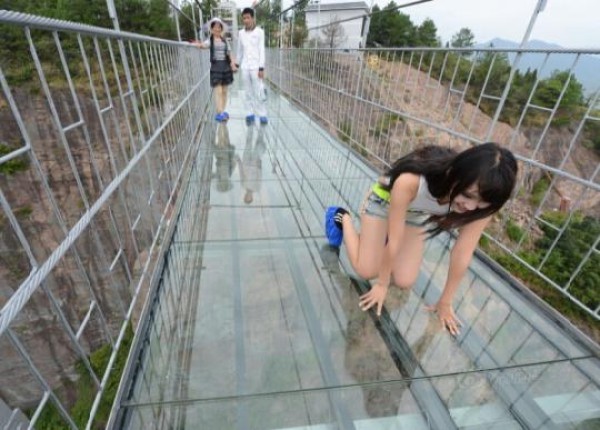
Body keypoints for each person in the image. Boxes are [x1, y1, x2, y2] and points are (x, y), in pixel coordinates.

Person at [325, 143, 518, 335]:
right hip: (383, 204)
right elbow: (395, 239)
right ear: (455, 173)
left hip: (415, 216)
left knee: (404, 280)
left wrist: (445, 302)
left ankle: (374, 242)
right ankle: (343, 218)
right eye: (467, 195)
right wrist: (381, 285)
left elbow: (463, 252)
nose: (470, 207)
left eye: (482, 203)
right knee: (366, 270)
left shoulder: (482, 209)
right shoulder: (411, 181)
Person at [191, 17, 237, 122]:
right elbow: (203, 45)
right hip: (216, 68)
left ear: (221, 29)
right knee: (218, 91)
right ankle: (219, 112)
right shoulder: (210, 41)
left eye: (219, 27)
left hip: (226, 67)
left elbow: (229, 53)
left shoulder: (225, 40)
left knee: (225, 91)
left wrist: (233, 64)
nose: (217, 29)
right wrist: (195, 44)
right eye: (215, 27)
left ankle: (222, 111)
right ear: (212, 29)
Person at [236, 8, 268, 125]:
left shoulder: (259, 32)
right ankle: (250, 113)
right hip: (245, 67)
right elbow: (239, 51)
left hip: (256, 67)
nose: (246, 20)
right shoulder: (241, 33)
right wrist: (236, 64)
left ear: (253, 18)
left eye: (248, 17)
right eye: (244, 18)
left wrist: (261, 68)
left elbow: (262, 50)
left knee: (259, 91)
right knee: (247, 92)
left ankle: (262, 114)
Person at [238, 124, 266, 204]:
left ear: (244, 196)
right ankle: (262, 126)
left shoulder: (243, 186)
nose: (247, 196)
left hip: (246, 162)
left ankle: (251, 125)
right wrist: (259, 165)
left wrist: (239, 161)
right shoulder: (257, 188)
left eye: (246, 197)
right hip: (254, 163)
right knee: (258, 142)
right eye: (248, 198)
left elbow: (241, 173)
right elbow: (259, 176)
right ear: (251, 197)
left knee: (248, 142)